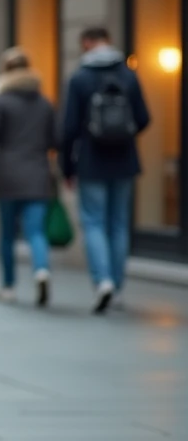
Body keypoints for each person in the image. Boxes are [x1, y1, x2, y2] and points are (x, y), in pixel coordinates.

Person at [60, 27, 150, 313]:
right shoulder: (129, 75)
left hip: (91, 162)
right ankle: (118, 288)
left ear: (87, 43)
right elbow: (144, 118)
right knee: (119, 224)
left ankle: (103, 281)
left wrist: (67, 168)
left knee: (93, 223)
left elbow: (68, 129)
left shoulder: (80, 78)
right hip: (125, 161)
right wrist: (122, 135)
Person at [0, 48, 57, 306]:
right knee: (36, 231)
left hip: (8, 174)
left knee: (7, 234)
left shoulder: (0, 102)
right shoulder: (44, 103)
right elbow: (56, 139)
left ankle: (8, 286)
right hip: (38, 173)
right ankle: (41, 270)